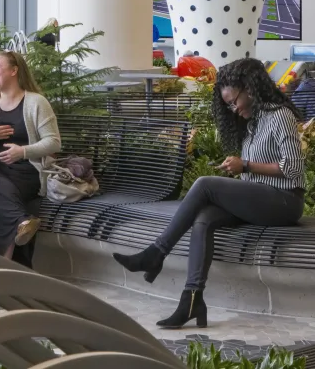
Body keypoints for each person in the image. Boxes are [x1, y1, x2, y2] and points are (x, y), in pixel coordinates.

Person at [112, 58, 304, 329]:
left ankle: (156, 253)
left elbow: (293, 168)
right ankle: (192, 300)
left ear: (250, 88)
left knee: (204, 184)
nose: (233, 108)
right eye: (227, 104)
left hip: (285, 201)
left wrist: (246, 164)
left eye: (234, 100)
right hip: (261, 199)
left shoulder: (279, 115)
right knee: (204, 218)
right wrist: (240, 168)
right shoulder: (251, 122)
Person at [0, 51, 61, 268]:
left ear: (14, 70)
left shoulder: (36, 102)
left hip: (27, 172)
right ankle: (21, 225)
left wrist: (22, 152)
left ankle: (6, 266)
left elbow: (53, 142)